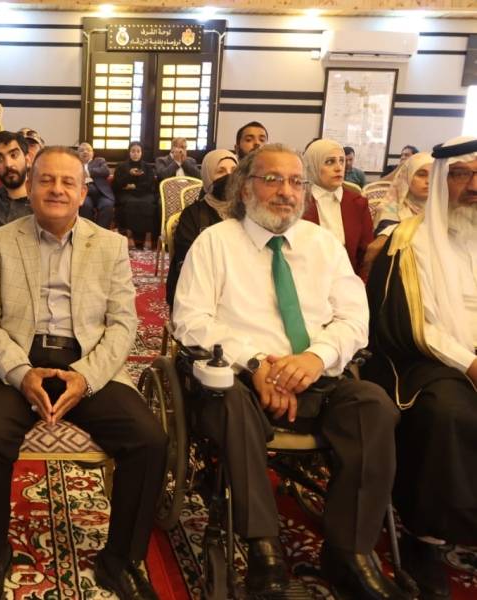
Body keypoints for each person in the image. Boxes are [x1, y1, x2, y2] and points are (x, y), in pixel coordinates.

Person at [172, 144, 406, 600]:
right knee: (230, 404)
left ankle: (350, 553)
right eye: (272, 179)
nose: (286, 191)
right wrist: (256, 362)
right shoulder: (215, 243)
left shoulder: (323, 245)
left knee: (374, 406)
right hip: (241, 378)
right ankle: (265, 552)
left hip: (317, 375)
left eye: (296, 182)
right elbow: (190, 319)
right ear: (245, 189)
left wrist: (315, 358)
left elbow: (355, 320)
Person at [0, 146, 166, 600]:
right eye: (47, 180)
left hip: (87, 359)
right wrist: (20, 372)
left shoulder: (110, 245)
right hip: (17, 359)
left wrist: (86, 377)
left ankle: (121, 559)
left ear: (82, 192)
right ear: (31, 186)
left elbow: (124, 324)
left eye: (67, 182)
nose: (56, 189)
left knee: (149, 440)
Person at [364, 136, 477, 600]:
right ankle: (426, 536)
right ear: (442, 179)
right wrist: (470, 363)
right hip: (423, 358)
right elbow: (416, 325)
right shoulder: (407, 242)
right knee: (449, 413)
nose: (474, 186)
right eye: (462, 174)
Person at [164, 149, 236, 307]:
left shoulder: (247, 213)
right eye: (221, 171)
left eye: (234, 171)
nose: (229, 176)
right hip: (201, 292)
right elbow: (189, 262)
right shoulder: (193, 215)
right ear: (207, 176)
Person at [302, 139, 374, 277]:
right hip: (305, 279)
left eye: (341, 161)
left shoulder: (358, 203)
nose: (339, 168)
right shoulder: (298, 201)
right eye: (330, 162)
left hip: (348, 279)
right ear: (313, 166)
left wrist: (358, 284)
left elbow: (365, 255)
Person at [374, 151, 432, 236]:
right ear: (406, 177)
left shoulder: (444, 208)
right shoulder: (391, 210)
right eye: (421, 175)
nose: (428, 181)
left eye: (433, 175)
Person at [112, 141, 156, 250]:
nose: (135, 154)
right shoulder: (121, 166)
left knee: (149, 204)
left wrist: (134, 186)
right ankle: (129, 236)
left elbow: (150, 183)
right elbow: (117, 184)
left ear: (141, 153)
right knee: (130, 203)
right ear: (129, 152)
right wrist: (129, 174)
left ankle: (148, 237)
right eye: (133, 151)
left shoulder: (147, 167)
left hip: (144, 193)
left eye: (138, 151)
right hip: (127, 194)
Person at [76, 142, 115, 229]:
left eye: (88, 150)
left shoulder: (99, 161)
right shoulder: (75, 164)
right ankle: (88, 231)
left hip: (101, 192)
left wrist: (88, 172)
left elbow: (105, 171)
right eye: (82, 150)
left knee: (107, 205)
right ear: (78, 154)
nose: (85, 152)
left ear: (93, 153)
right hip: (84, 193)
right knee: (85, 205)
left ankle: (101, 232)